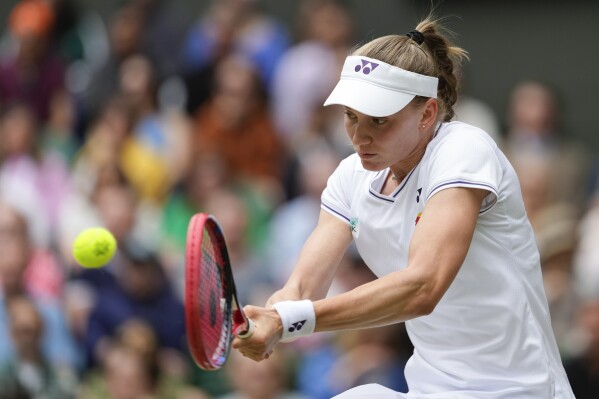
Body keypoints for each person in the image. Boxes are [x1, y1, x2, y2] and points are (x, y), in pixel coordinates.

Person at [232, 15, 575, 398]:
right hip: (430, 389)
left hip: (519, 390)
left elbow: (423, 287)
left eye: (379, 120)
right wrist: (271, 316)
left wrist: (292, 322)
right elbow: (301, 288)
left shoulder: (464, 150)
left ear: (427, 114)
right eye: (350, 117)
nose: (360, 136)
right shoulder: (350, 178)